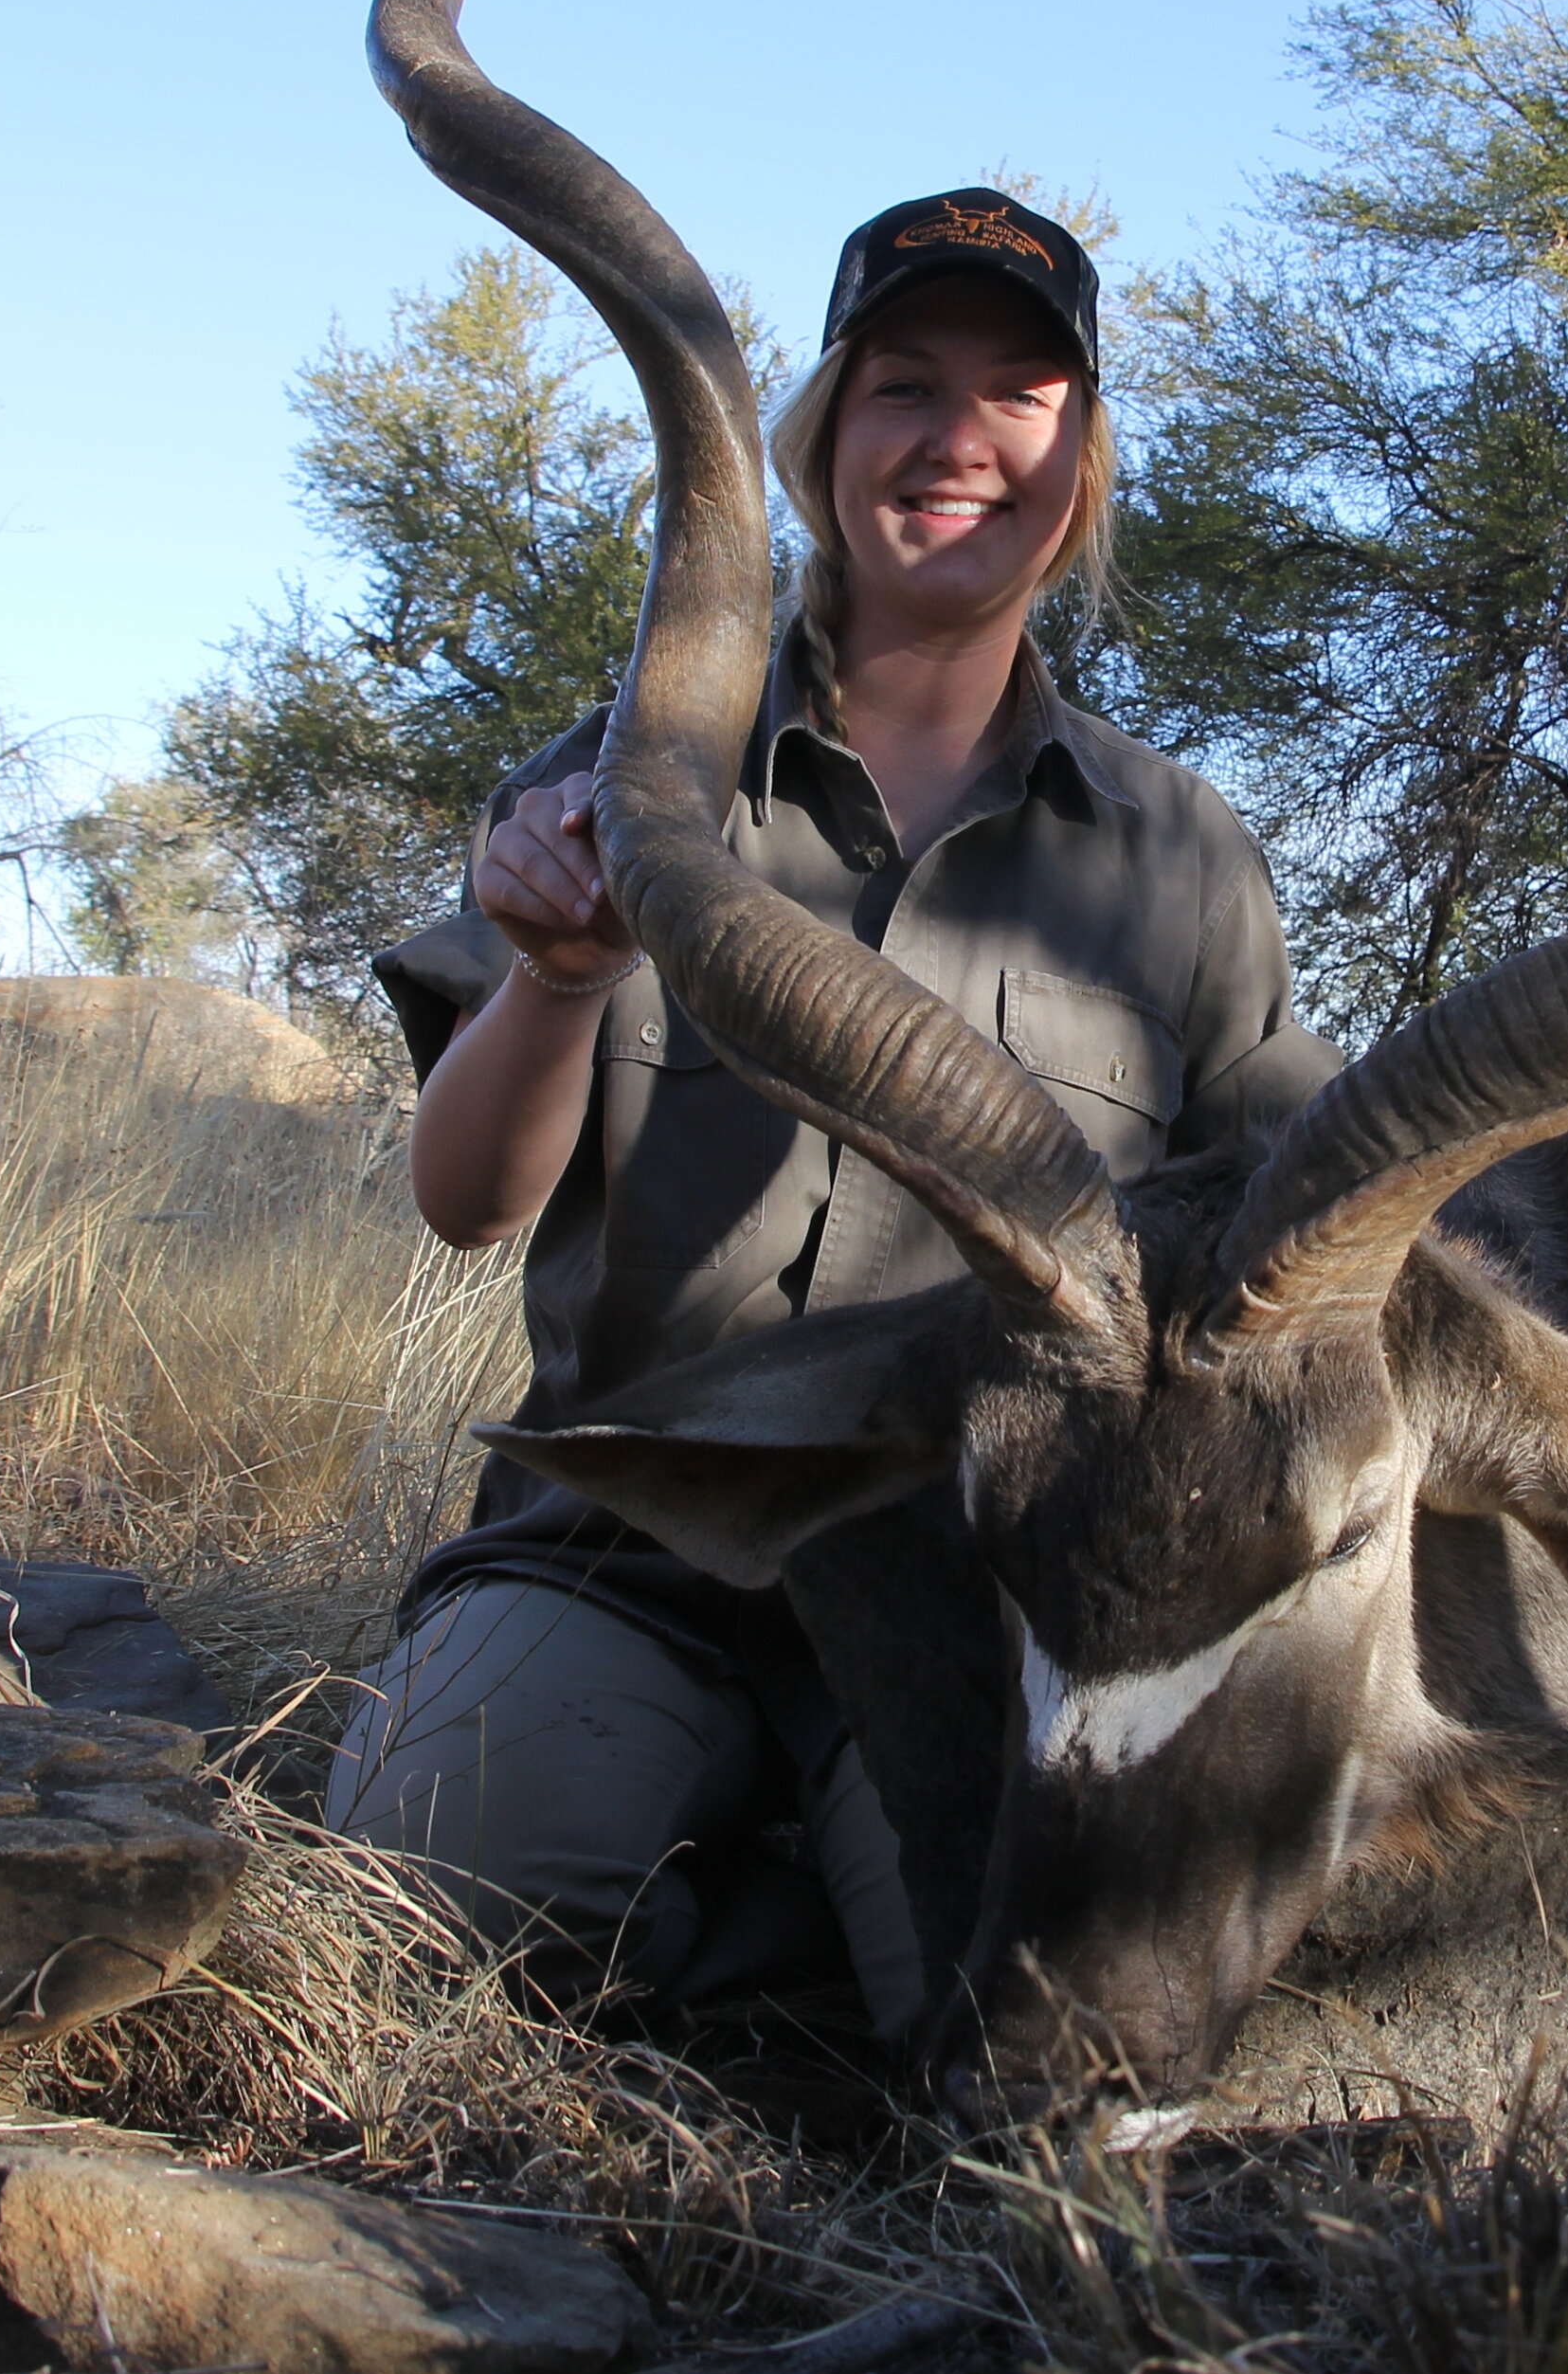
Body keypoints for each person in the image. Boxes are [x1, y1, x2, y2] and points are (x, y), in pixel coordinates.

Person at [329, 186, 1328, 2036]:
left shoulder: (1181, 853)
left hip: (981, 1590)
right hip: (619, 1541)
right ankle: (764, 1929)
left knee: (1026, 2022)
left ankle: (776, 1948)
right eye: (905, 388)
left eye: (1023, 395)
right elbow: (468, 1205)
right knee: (421, 1929)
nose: (960, 440)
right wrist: (557, 975)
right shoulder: (627, 771)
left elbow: (1285, 1237)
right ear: (819, 442)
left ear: (1082, 464)